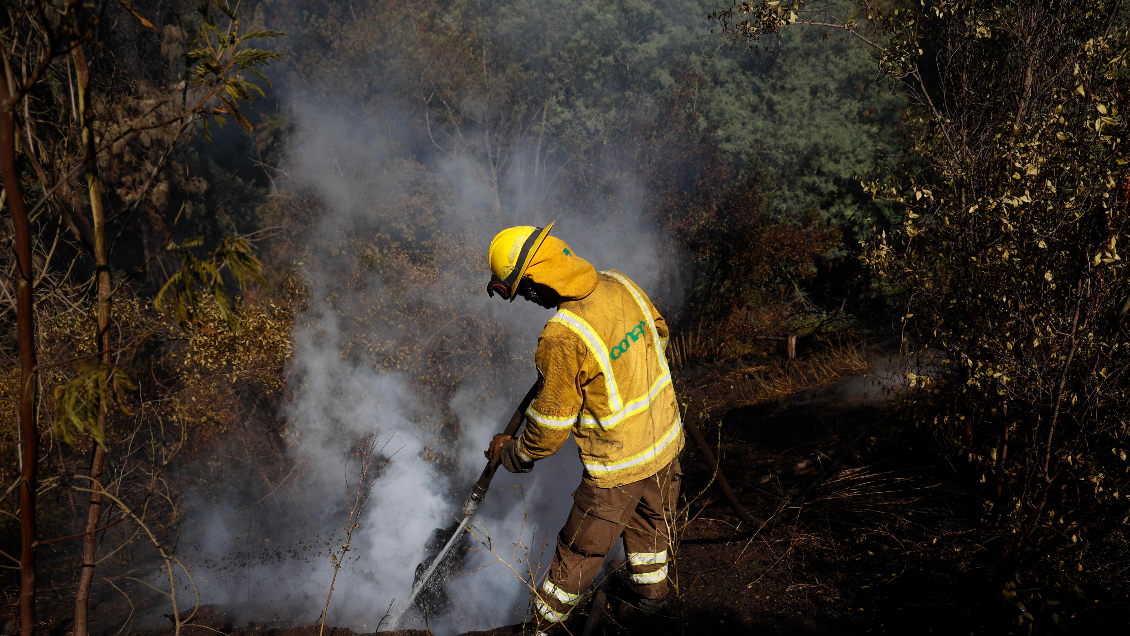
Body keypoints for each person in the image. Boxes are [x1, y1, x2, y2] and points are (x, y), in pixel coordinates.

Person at [483, 222, 684, 635]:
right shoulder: (619, 284)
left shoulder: (562, 336)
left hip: (617, 470)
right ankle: (656, 611)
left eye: (522, 290)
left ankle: (540, 630)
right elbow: (659, 335)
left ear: (537, 281)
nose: (527, 299)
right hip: (665, 446)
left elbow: (551, 427)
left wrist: (514, 455)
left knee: (575, 557)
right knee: (650, 533)